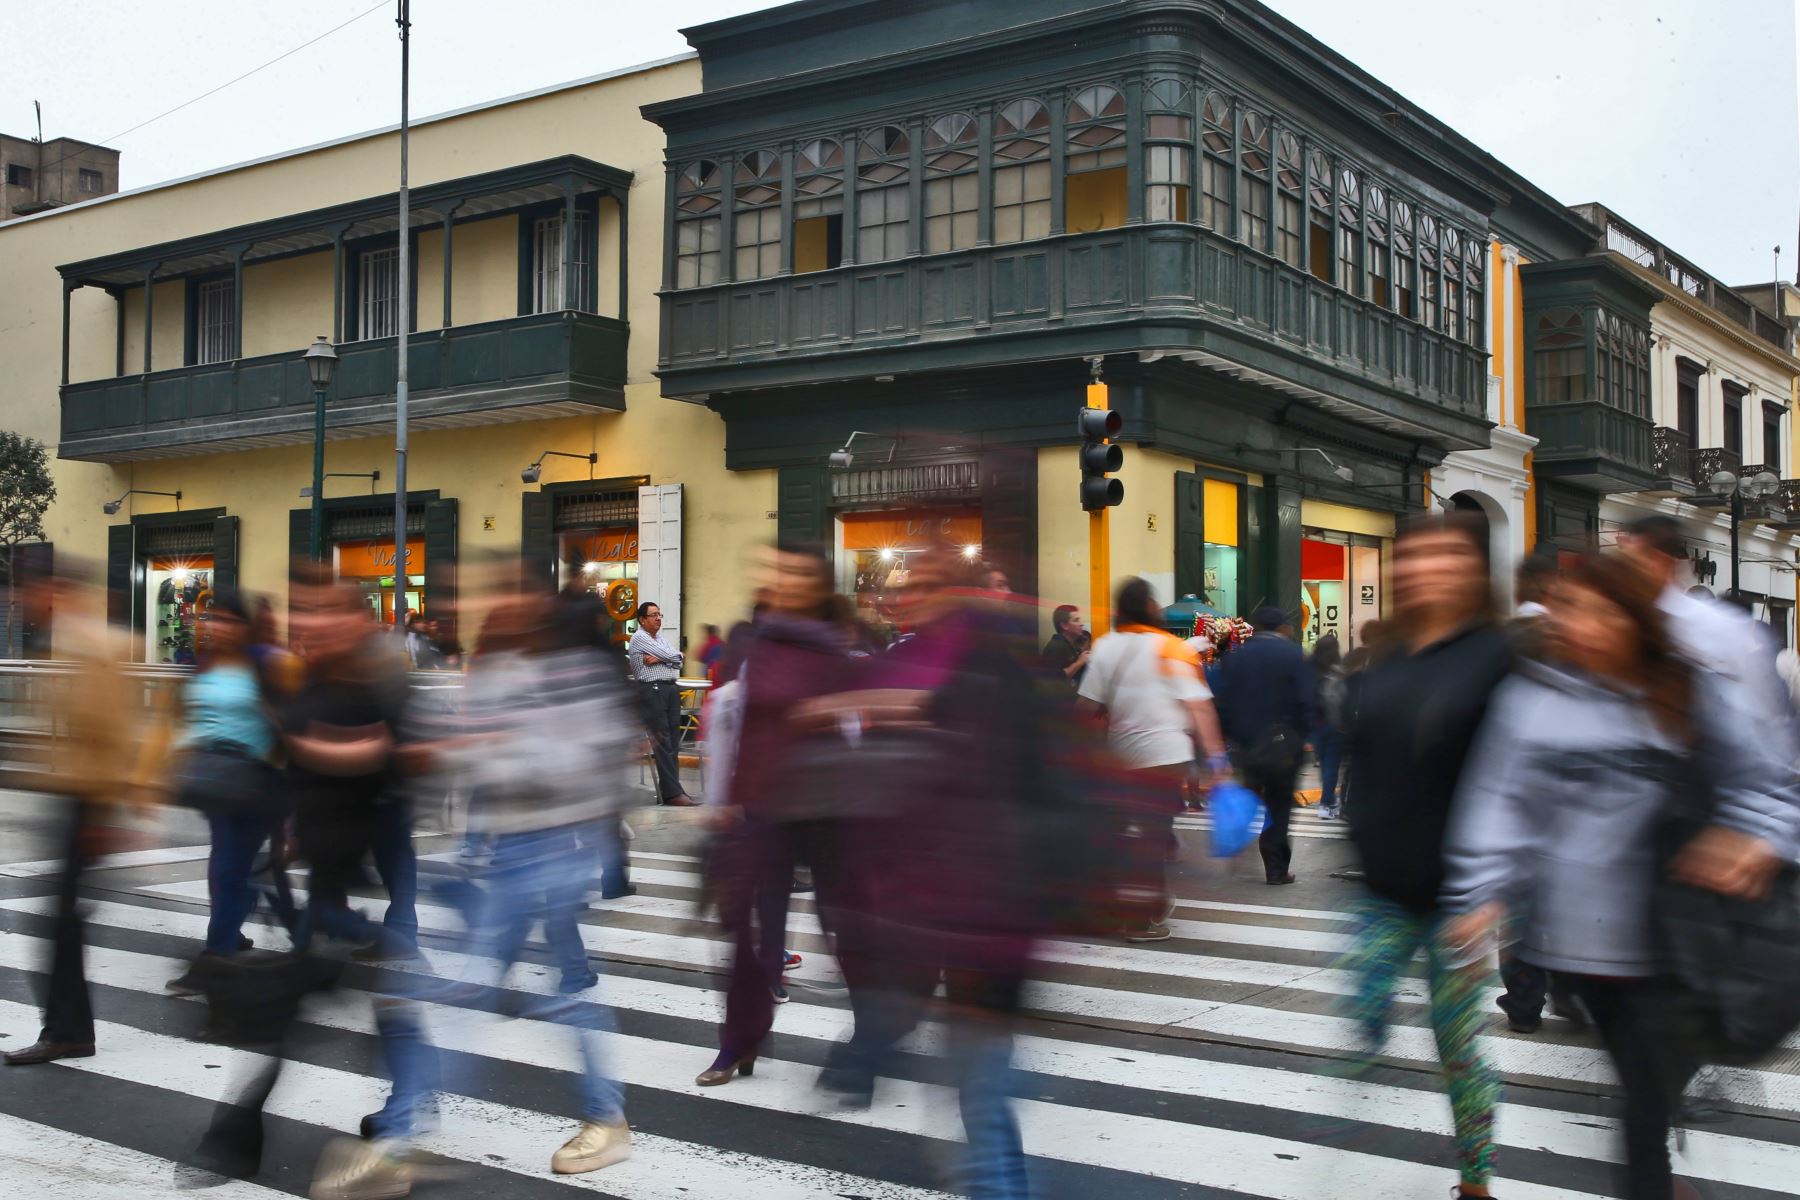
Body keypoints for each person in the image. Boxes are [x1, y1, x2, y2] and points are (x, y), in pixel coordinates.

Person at [1443, 552, 1799, 1200]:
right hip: (1575, 949)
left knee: (1639, 1098)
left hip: (1672, 937)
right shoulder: (1532, 699)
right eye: (1566, 608)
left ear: (1634, 620)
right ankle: (1659, 1165)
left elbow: (1769, 782)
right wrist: (1481, 895)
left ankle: (1653, 1181)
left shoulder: (1689, 689)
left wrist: (1754, 839)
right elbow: (1501, 801)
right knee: (1640, 1085)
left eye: (1596, 611)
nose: (1575, 624)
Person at [1338, 514, 1511, 1199]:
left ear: (1474, 568)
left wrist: (1496, 896)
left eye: (1445, 554)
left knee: (1457, 1043)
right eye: (1412, 556)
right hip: (1383, 883)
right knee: (1366, 998)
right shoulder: (1387, 655)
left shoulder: (1500, 656)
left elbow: (1525, 780)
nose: (1423, 567)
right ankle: (1372, 1026)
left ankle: (1475, 1180)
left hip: (1459, 896)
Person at [3, 565, 141, 1067]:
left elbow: (111, 731)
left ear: (58, 592)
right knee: (63, 919)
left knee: (62, 920)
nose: (27, 598)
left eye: (34, 589)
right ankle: (68, 1028)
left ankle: (68, 1030)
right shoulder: (71, 644)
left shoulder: (89, 648)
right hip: (75, 795)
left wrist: (107, 810)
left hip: (87, 799)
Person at [1076, 577, 1227, 939]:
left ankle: (1133, 905)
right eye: (1155, 603)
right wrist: (1219, 762)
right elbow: (1200, 708)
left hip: (1120, 756)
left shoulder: (1106, 646)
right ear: (1146, 606)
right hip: (1164, 757)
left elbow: (1085, 707)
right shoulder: (1172, 647)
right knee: (1152, 836)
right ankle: (1142, 917)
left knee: (1126, 833)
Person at [165, 587, 289, 994]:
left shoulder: (268, 664)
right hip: (220, 783)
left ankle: (216, 956)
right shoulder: (208, 664)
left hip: (258, 783)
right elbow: (191, 715)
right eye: (211, 619)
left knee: (229, 870)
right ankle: (234, 934)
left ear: (245, 626)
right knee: (231, 871)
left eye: (226, 619)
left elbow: (289, 724)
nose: (216, 627)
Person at [1211, 605, 1313, 884]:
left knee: (1247, 796)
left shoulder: (1235, 658)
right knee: (1279, 804)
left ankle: (1237, 843)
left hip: (1246, 747)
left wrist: (1229, 739)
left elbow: (1224, 703)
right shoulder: (1294, 655)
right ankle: (1276, 867)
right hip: (1283, 748)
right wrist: (1302, 737)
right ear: (1283, 628)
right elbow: (1307, 700)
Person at [628, 600, 697, 807]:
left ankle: (674, 790)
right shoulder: (639, 638)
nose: (658, 618)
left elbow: (679, 659)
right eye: (653, 615)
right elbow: (671, 656)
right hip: (653, 690)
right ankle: (673, 794)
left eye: (660, 614)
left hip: (670, 688)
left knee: (674, 741)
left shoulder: (660, 638)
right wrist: (669, 657)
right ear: (642, 619)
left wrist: (660, 659)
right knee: (663, 742)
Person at [1309, 633, 1346, 819]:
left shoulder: (1311, 669)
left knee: (1324, 765)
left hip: (1316, 725)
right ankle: (1327, 802)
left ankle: (1328, 798)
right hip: (1335, 725)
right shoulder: (1339, 671)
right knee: (1332, 765)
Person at [1041, 604, 1091, 687]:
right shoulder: (1055, 646)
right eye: (1076, 620)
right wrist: (1079, 662)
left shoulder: (1071, 644)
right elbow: (1056, 679)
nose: (1081, 624)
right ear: (1064, 625)